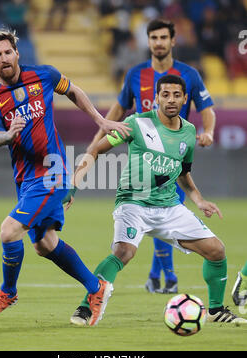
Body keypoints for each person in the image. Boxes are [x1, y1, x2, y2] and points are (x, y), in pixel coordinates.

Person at [66, 74, 247, 326]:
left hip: (169, 207)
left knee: (217, 250)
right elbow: (96, 149)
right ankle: (86, 306)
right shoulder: (136, 123)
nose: (171, 100)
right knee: (123, 251)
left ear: (185, 99)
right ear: (156, 99)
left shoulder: (189, 132)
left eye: (176, 95)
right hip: (133, 202)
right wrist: (73, 185)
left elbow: (183, 173)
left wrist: (199, 199)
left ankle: (216, 310)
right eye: (165, 95)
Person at [0, 28, 130, 319]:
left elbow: (72, 89)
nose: (5, 58)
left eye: (8, 51)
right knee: (44, 244)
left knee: (9, 232)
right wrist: (8, 135)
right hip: (25, 178)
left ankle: (7, 292)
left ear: (17, 53)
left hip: (52, 173)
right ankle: (95, 286)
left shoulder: (44, 75)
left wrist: (101, 120)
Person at [82, 19, 216, 295]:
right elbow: (118, 111)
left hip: (171, 157)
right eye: (153, 38)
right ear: (149, 42)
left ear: (172, 41)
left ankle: (159, 276)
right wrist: (95, 143)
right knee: (155, 215)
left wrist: (209, 132)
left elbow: (206, 108)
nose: (158, 43)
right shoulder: (135, 75)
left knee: (163, 215)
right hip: (141, 156)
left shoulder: (188, 74)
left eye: (163, 37)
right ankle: (164, 277)